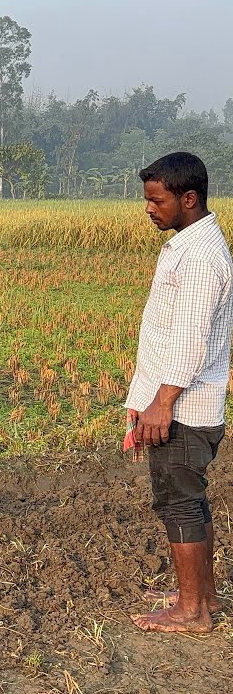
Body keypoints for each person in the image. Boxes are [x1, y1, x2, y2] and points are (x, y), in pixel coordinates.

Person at [126, 152, 231, 633]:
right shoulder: (190, 245)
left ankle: (192, 613)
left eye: (156, 200)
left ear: (188, 199)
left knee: (180, 504)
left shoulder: (202, 257)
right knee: (192, 500)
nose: (149, 208)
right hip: (183, 402)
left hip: (184, 408)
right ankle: (202, 594)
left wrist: (161, 403)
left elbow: (190, 340)